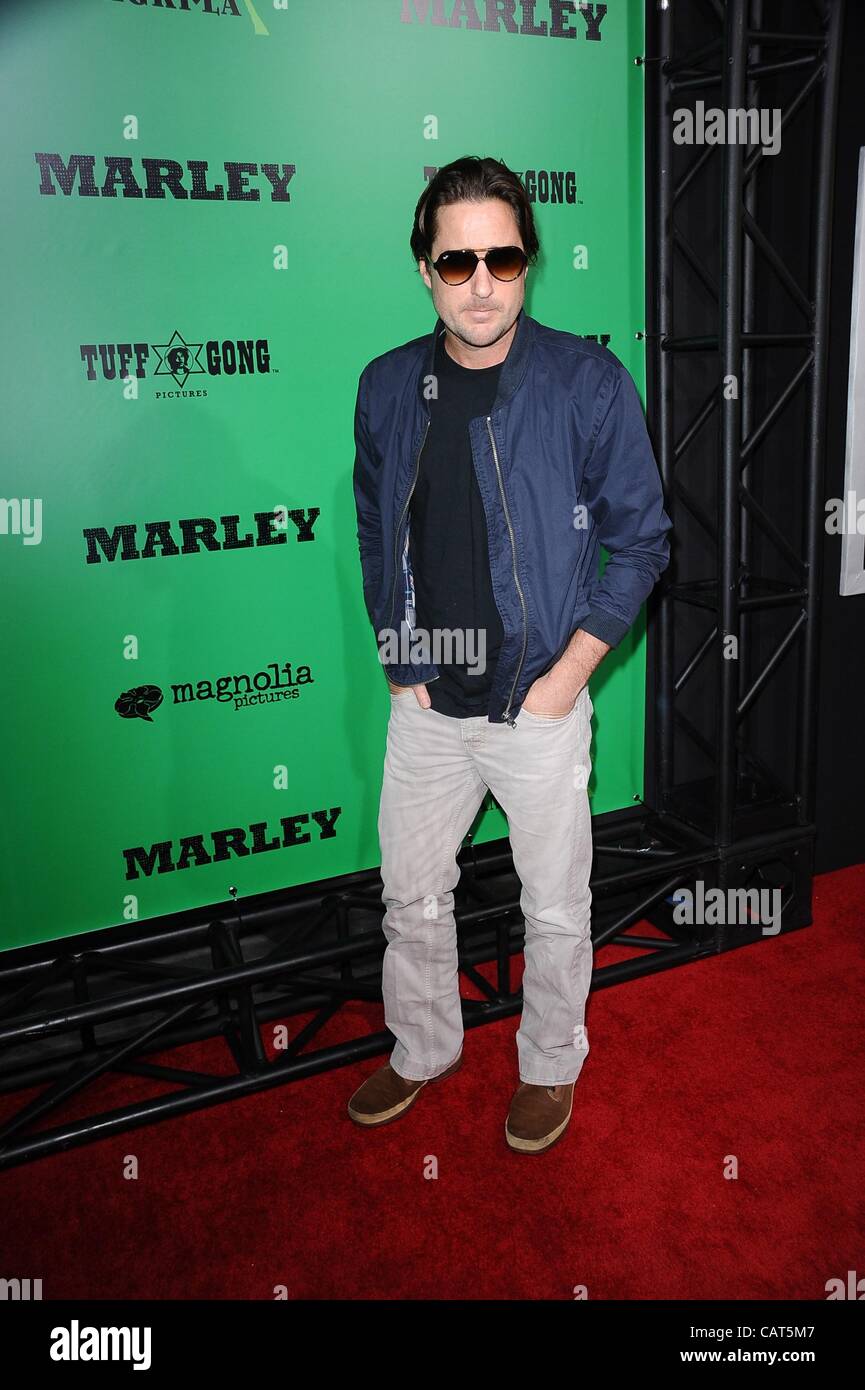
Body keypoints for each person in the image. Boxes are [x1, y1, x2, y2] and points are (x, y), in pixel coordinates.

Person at [348, 155, 672, 1153]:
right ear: (424, 268)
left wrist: (567, 677)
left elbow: (643, 540)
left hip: (536, 700)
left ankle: (547, 1065)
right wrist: (399, 656)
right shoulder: (388, 385)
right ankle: (423, 1045)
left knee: (557, 907)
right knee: (410, 895)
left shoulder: (587, 381)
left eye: (502, 256)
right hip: (428, 704)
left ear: (528, 261)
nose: (481, 282)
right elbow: (374, 527)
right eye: (457, 261)